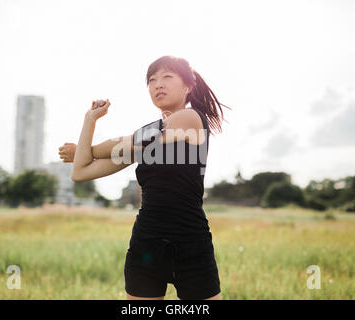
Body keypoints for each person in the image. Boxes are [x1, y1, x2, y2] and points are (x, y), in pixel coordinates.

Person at [58, 55, 231, 300]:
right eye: (152, 79)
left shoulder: (191, 119)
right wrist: (90, 120)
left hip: (191, 241)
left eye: (167, 77)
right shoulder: (143, 139)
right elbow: (80, 172)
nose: (158, 84)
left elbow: (132, 144)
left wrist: (85, 150)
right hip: (147, 240)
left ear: (188, 87)